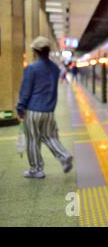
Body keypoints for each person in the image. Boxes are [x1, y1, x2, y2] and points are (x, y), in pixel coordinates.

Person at [16, 36, 73, 179]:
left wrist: (20, 108)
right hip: (48, 110)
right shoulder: (55, 68)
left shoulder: (31, 68)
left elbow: (26, 90)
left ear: (35, 51)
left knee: (33, 139)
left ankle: (36, 169)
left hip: (33, 109)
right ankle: (64, 156)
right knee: (49, 136)